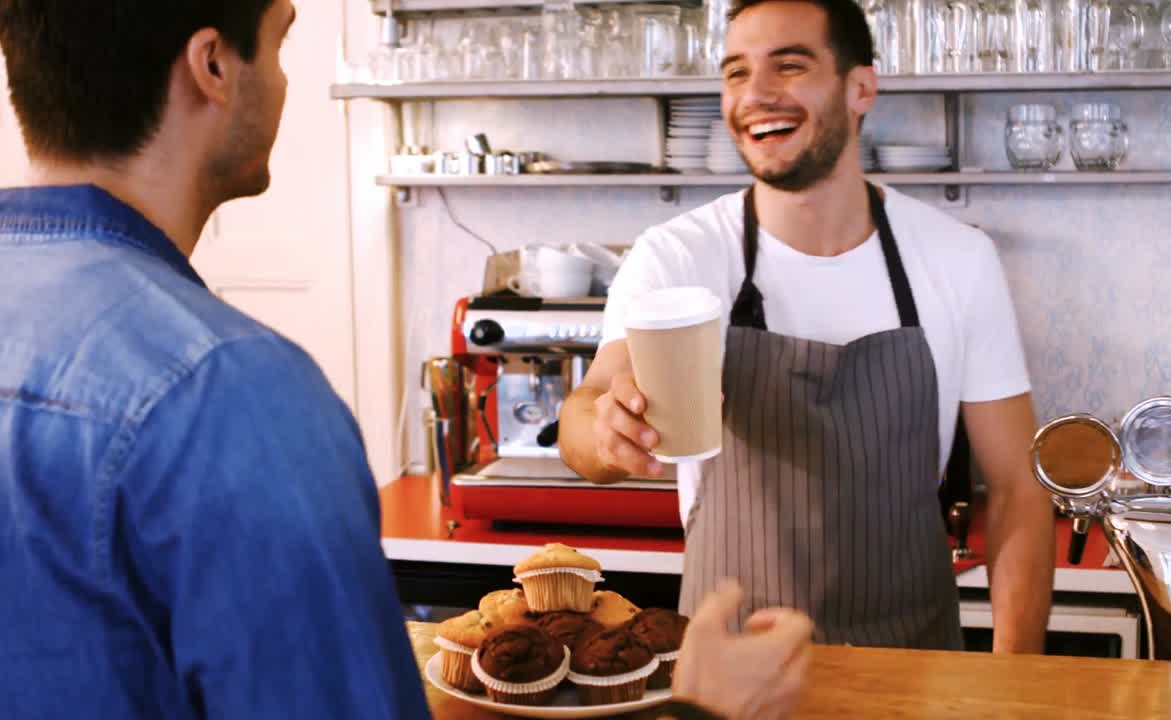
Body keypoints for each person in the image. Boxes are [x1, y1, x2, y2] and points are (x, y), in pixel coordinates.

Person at [0, 1, 812, 718]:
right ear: (214, 66)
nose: (286, 84)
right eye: (282, 44)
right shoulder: (234, 395)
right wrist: (702, 712)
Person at [561, 0, 1056, 652]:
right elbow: (586, 412)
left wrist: (1012, 680)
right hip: (729, 672)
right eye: (736, 73)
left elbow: (1020, 486)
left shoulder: (957, 259)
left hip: (914, 670)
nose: (756, 95)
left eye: (788, 66)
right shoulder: (678, 257)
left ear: (861, 88)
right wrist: (606, 431)